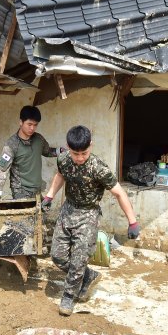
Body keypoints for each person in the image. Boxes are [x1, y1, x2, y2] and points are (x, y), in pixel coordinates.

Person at [43, 125, 141, 316]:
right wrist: (49, 196)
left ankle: (69, 296)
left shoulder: (99, 168)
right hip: (68, 210)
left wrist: (132, 221)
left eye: (84, 153)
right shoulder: (63, 160)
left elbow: (119, 193)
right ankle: (88, 275)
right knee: (58, 256)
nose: (80, 158)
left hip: (88, 215)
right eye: (75, 153)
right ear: (68, 148)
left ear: (91, 146)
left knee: (79, 259)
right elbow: (60, 175)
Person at [0, 105, 62, 203]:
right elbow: (2, 171)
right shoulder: (11, 145)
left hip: (37, 189)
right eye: (29, 124)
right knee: (26, 217)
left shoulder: (39, 139)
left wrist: (60, 151)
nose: (32, 128)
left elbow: (47, 151)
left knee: (39, 216)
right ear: (21, 122)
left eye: (35, 125)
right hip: (21, 191)